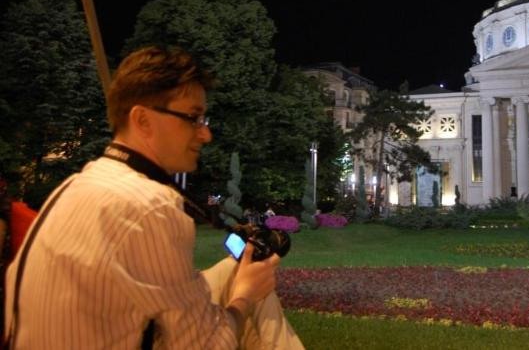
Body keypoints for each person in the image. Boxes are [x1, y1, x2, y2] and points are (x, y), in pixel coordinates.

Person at [3, 46, 304, 349]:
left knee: (242, 267)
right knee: (252, 289)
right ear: (143, 120)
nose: (205, 134)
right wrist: (245, 296)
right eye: (193, 118)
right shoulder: (150, 206)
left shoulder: (80, 183)